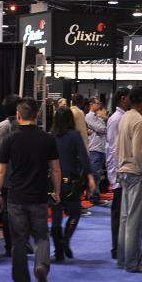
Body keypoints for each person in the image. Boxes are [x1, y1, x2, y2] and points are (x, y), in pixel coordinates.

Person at [0, 98, 61, 282]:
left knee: (19, 242)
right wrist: (57, 191)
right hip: (39, 196)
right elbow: (55, 169)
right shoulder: (48, 139)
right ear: (37, 115)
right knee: (41, 236)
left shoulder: (10, 139)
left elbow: (0, 170)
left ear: (18, 115)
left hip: (16, 197)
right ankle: (41, 265)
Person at [116, 86, 142, 273]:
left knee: (125, 219)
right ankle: (133, 263)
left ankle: (123, 259)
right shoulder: (139, 121)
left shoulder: (125, 117)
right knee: (135, 221)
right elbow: (139, 154)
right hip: (136, 174)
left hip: (124, 171)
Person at [51, 107, 97, 261]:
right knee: (75, 212)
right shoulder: (75, 135)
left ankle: (58, 251)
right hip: (71, 181)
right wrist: (90, 177)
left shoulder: (50, 136)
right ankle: (65, 240)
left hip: (53, 181)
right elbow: (83, 157)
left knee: (56, 215)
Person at [0, 94, 21, 256]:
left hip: (5, 175)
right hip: (24, 176)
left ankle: (9, 246)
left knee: (7, 211)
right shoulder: (25, 127)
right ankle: (22, 242)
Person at [105, 87, 130, 260]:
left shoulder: (123, 117)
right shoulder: (116, 119)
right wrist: (114, 177)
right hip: (119, 175)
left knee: (125, 214)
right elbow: (112, 149)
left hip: (123, 173)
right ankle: (117, 248)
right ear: (123, 99)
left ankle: (125, 246)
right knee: (119, 214)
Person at [86, 98, 108, 192]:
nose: (99, 105)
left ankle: (95, 195)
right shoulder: (89, 116)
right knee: (95, 174)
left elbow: (103, 129)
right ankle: (93, 196)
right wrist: (103, 126)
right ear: (91, 104)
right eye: (97, 103)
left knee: (98, 175)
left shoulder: (97, 117)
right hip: (94, 149)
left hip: (100, 148)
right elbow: (101, 129)